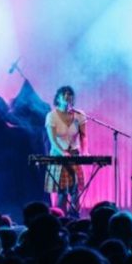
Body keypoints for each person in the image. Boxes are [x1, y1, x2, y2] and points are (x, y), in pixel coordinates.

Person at [45, 85, 87, 216]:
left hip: (74, 155)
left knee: (76, 191)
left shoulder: (79, 115)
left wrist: (85, 151)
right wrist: (63, 152)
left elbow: (83, 136)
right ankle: (60, 220)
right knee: (62, 192)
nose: (68, 97)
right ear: (58, 98)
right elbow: (52, 140)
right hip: (58, 155)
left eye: (70, 94)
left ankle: (75, 219)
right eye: (65, 94)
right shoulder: (51, 116)